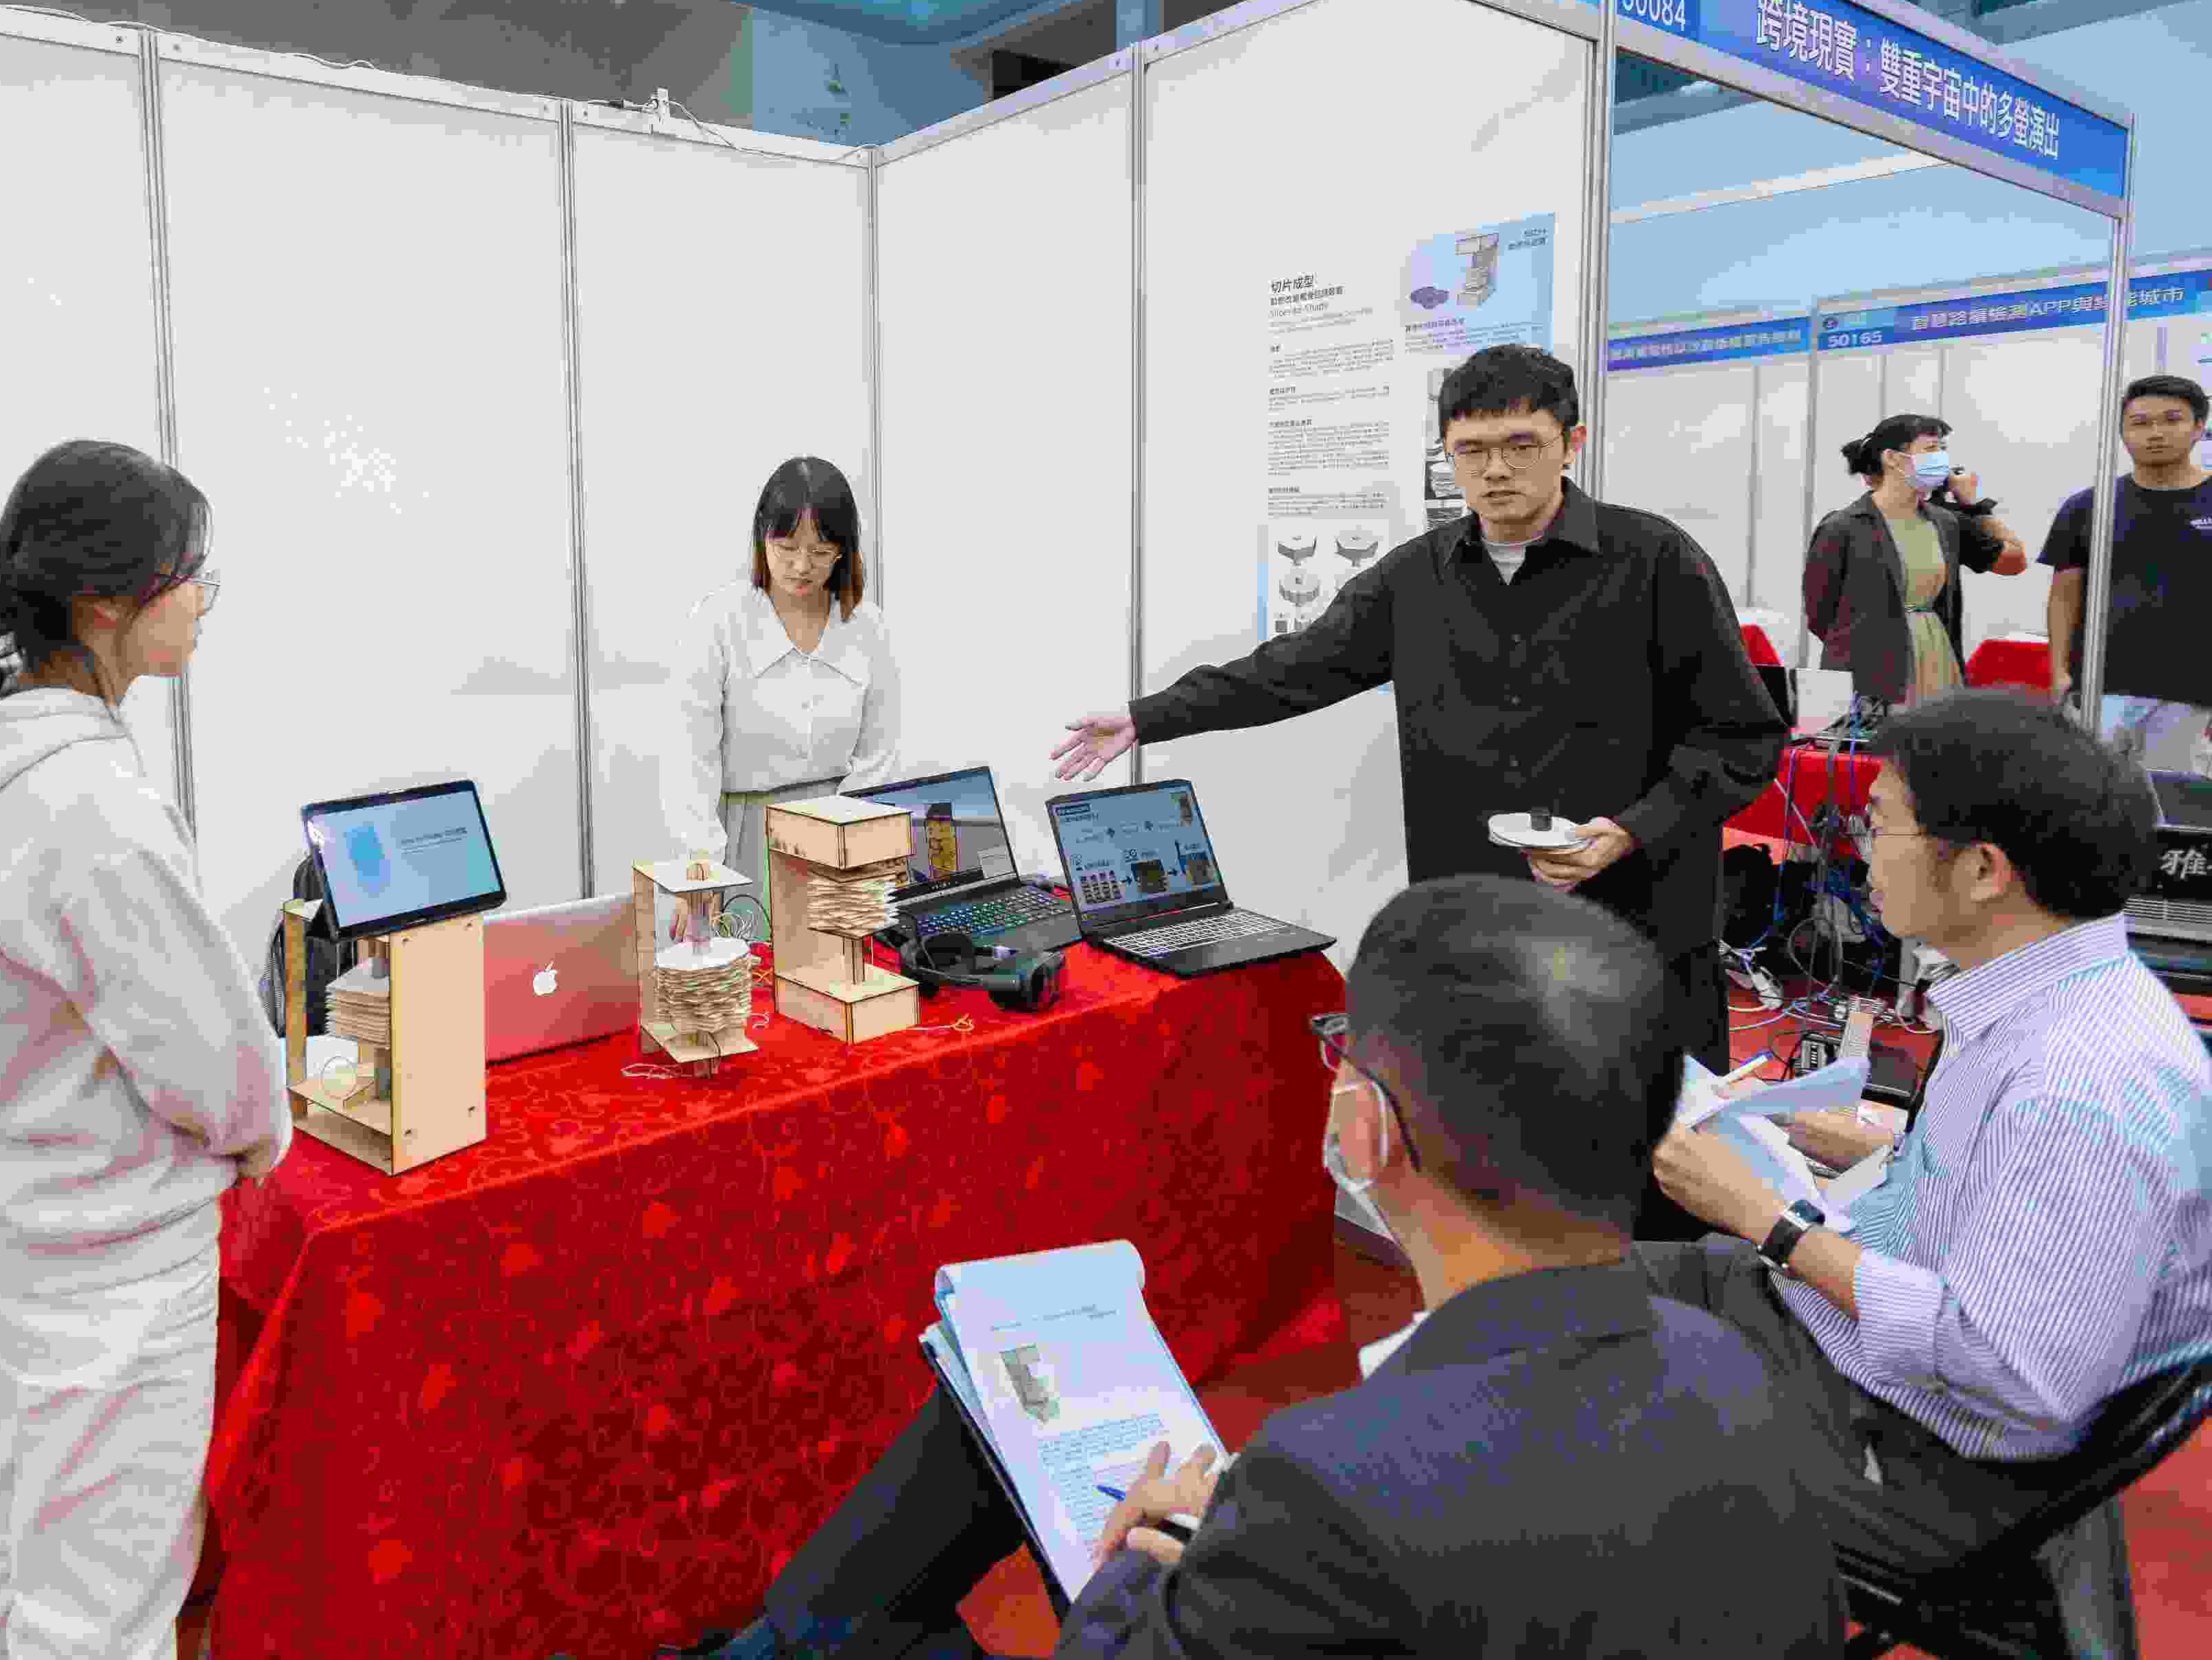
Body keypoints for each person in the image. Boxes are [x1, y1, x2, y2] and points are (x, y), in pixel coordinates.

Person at [664, 878, 1845, 1660]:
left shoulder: (1329, 1484)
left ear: (1364, 1129)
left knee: (873, 1612)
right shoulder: (1747, 1380)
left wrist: (1139, 1568)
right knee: (930, 1493)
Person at [1051, 343, 1784, 1097]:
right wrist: (1146, 717)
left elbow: (1742, 737)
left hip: (1634, 927)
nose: (1495, 470)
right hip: (1471, 931)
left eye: (1521, 445)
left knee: (1658, 1146)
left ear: (1572, 443)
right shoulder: (1415, 577)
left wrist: (1630, 829)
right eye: (1471, 450)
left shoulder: (1657, 561)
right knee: (1480, 1137)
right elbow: (1291, 669)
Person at [1639, 689, 2212, 1646]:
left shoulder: (2081, 1085)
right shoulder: (2061, 998)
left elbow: (2006, 1369)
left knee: (1564, 1397)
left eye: (1880, 823)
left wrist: (1774, 1222)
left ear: (1984, 869)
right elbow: (2019, 1198)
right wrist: (1871, 1149)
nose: (1860, 850)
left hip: (1930, 1453)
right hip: (1875, 1355)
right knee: (1552, 1299)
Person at [0, 439, 290, 1660]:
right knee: (104, 1616)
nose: (201, 602)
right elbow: (216, 1066)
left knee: (13, 1564)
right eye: (188, 577)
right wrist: (266, 1124)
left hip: (34, 1238)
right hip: (114, 1270)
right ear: (106, 604)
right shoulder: (89, 807)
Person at [665, 456, 902, 894]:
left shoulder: (868, 627)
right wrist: (700, 866)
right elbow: (691, 761)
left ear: (843, 550)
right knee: (748, 938)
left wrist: (855, 847)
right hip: (745, 838)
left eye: (820, 552)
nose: (801, 566)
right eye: (787, 548)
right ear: (762, 537)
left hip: (844, 832)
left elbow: (878, 758)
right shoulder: (719, 622)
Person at [2040, 375, 2212, 773]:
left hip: (2195, 693)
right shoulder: (2088, 506)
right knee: (2092, 798)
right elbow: (2065, 595)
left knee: (2177, 804)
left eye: (2172, 420)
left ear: (2199, 427)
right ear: (2122, 432)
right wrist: (2059, 671)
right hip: (2101, 689)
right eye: (2140, 423)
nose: (2156, 432)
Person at [1803, 413, 2028, 718]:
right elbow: (1820, 614)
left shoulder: (1946, 522)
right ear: (1893, 459)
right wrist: (1860, 649)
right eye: (1931, 449)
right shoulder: (1843, 526)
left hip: (1937, 655)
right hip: (1871, 672)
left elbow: (2014, 561)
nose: (1941, 459)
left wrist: (1974, 506)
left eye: (1943, 449)